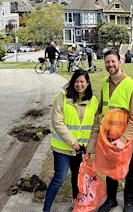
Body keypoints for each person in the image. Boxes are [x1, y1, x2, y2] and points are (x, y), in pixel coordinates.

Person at [87, 49, 133, 212]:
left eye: (113, 61)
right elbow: (102, 107)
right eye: (107, 62)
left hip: (127, 138)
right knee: (110, 168)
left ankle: (129, 201)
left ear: (120, 62)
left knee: (129, 170)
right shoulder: (105, 82)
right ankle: (111, 199)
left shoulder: (132, 86)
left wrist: (124, 139)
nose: (110, 65)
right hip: (109, 137)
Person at [43, 70, 98, 212]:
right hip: (62, 148)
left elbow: (95, 128)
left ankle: (77, 206)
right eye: (76, 81)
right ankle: (46, 209)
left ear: (88, 83)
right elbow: (57, 123)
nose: (79, 85)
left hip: (81, 149)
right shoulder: (61, 98)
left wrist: (89, 150)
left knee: (77, 179)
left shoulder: (93, 101)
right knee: (59, 178)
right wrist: (73, 142)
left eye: (82, 82)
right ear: (72, 82)